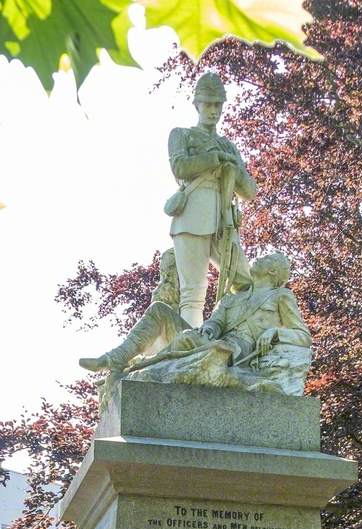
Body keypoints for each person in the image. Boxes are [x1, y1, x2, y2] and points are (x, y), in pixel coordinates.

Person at [127, 253, 312, 396]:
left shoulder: (280, 296)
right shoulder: (231, 298)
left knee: (189, 342)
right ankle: (131, 364)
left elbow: (303, 336)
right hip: (217, 341)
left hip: (239, 353)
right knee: (177, 329)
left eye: (265, 259)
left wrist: (275, 333)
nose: (256, 259)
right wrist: (209, 329)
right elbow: (216, 322)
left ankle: (144, 367)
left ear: (272, 271)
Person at [167, 72, 256, 328]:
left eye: (218, 104)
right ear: (197, 104)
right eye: (208, 103)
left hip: (223, 220)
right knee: (193, 293)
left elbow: (249, 191)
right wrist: (214, 158)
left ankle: (238, 338)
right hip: (192, 214)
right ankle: (190, 350)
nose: (213, 110)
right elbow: (180, 168)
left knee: (245, 283)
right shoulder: (182, 135)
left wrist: (234, 169)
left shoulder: (228, 146)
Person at [78, 249, 185, 375]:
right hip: (192, 336)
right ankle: (118, 358)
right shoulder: (166, 293)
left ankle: (114, 358)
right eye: (163, 272)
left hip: (198, 338)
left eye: (171, 271)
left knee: (158, 310)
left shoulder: (189, 289)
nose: (166, 278)